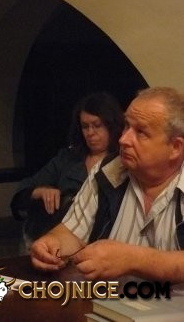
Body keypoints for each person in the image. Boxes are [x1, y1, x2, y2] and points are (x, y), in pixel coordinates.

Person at [31, 87, 184, 282]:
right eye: (126, 126)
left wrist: (133, 259)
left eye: (141, 132)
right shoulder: (108, 171)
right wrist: (52, 243)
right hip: (107, 299)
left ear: (175, 148)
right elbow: (72, 233)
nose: (123, 139)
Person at [11, 92, 124, 247]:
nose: (90, 133)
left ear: (112, 126)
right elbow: (22, 192)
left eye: (97, 125)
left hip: (103, 242)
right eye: (85, 126)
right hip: (60, 236)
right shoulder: (68, 158)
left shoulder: (123, 161)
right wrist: (41, 191)